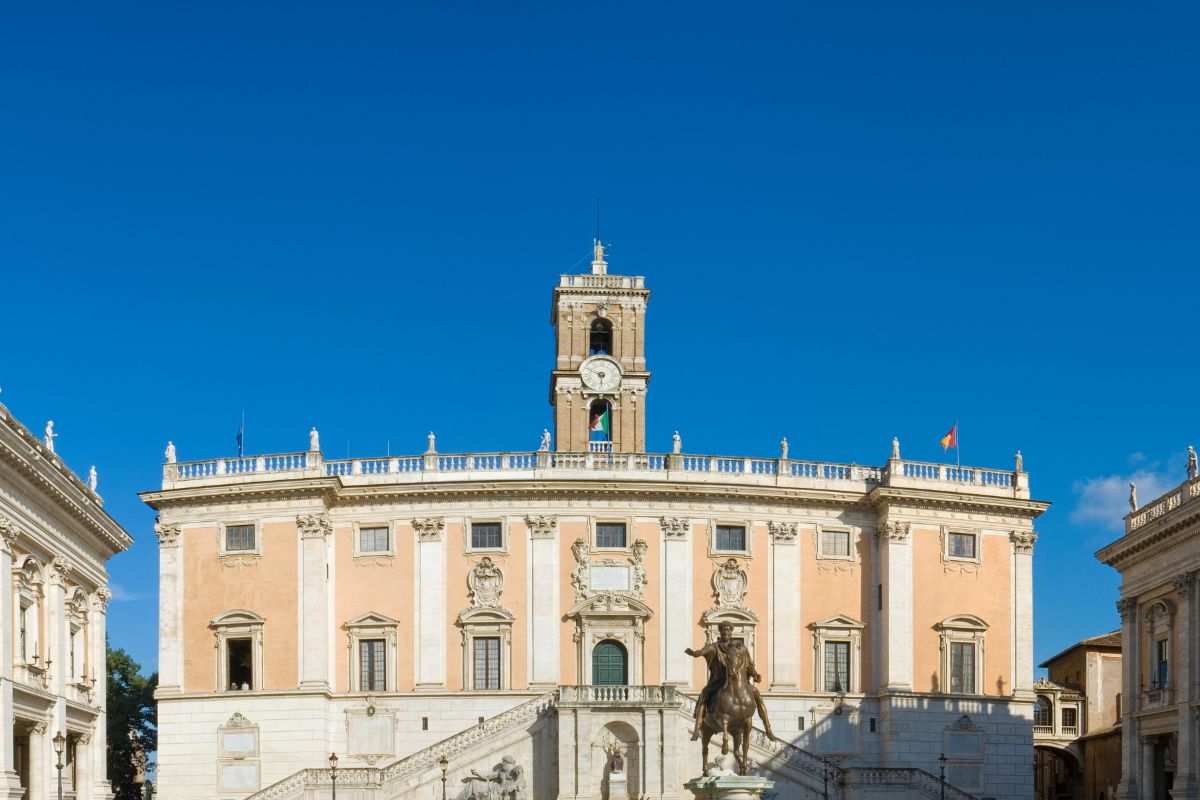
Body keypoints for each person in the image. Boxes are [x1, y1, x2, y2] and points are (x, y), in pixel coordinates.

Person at [685, 622, 775, 741]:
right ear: (720, 632)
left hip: (738, 681)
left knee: (757, 695)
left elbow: (748, 663)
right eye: (723, 630)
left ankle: (768, 728)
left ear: (731, 632)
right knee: (704, 694)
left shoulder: (739, 647)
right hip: (719, 680)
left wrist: (754, 674)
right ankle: (697, 728)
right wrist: (695, 653)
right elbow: (702, 651)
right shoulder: (714, 646)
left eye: (728, 630)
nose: (726, 632)